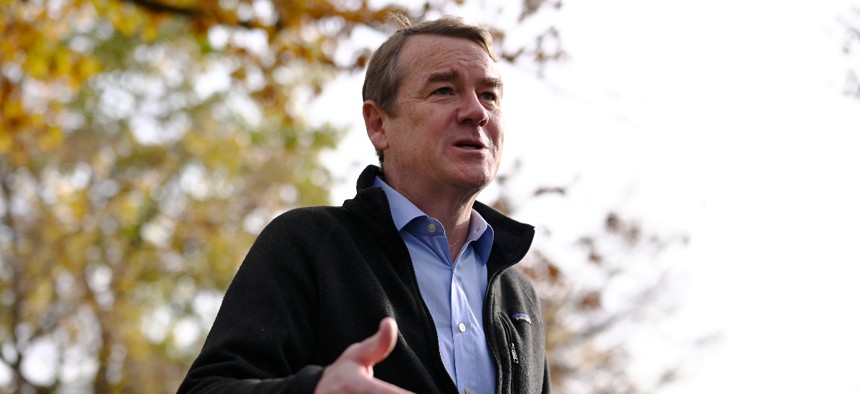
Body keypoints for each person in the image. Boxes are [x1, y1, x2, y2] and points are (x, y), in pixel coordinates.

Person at [178, 14, 549, 394]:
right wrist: (316, 390)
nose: (477, 111)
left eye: (489, 95)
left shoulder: (518, 294)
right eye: (444, 90)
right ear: (378, 124)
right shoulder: (308, 244)